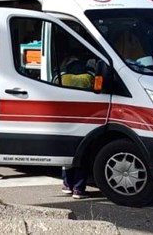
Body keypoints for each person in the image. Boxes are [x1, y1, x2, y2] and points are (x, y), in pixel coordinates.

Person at [55, 52, 95, 198]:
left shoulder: (61, 77)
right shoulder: (89, 77)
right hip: (84, 119)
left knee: (66, 157)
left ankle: (67, 185)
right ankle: (78, 189)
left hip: (64, 119)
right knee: (82, 156)